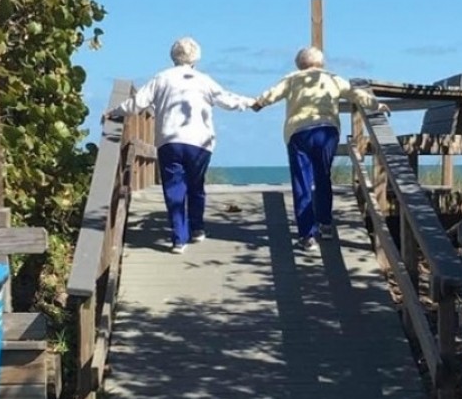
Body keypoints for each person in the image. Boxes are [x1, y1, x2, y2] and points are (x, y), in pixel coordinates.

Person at [104, 37, 254, 254]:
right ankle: (197, 228)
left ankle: (178, 238)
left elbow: (138, 103)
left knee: (174, 188)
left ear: (172, 56)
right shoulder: (204, 80)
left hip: (170, 140)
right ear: (196, 58)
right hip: (200, 142)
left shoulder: (162, 78)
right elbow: (227, 100)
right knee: (196, 185)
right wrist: (251, 103)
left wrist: (114, 111)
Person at [252, 46, 388, 252]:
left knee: (302, 181)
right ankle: (325, 224)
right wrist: (376, 105)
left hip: (299, 133)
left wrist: (258, 103)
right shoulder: (333, 78)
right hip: (327, 131)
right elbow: (355, 93)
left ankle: (307, 235)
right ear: (321, 63)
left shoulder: (293, 78)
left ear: (299, 64)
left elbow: (271, 95)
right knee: (323, 176)